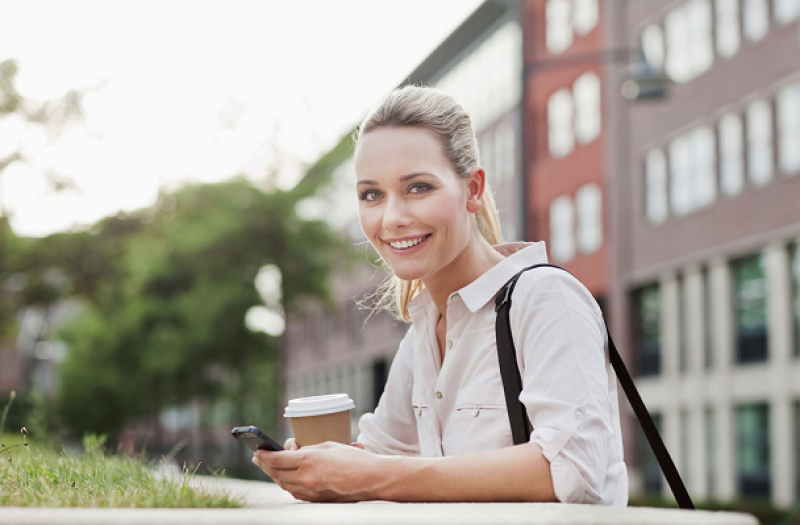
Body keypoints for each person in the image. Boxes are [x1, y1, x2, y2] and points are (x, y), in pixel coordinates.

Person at [253, 86, 627, 505]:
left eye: (418, 188)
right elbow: (381, 456)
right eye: (371, 194)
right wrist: (321, 468)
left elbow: (576, 470)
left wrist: (373, 474)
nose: (392, 218)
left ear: (472, 190)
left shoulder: (546, 298)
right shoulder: (422, 335)